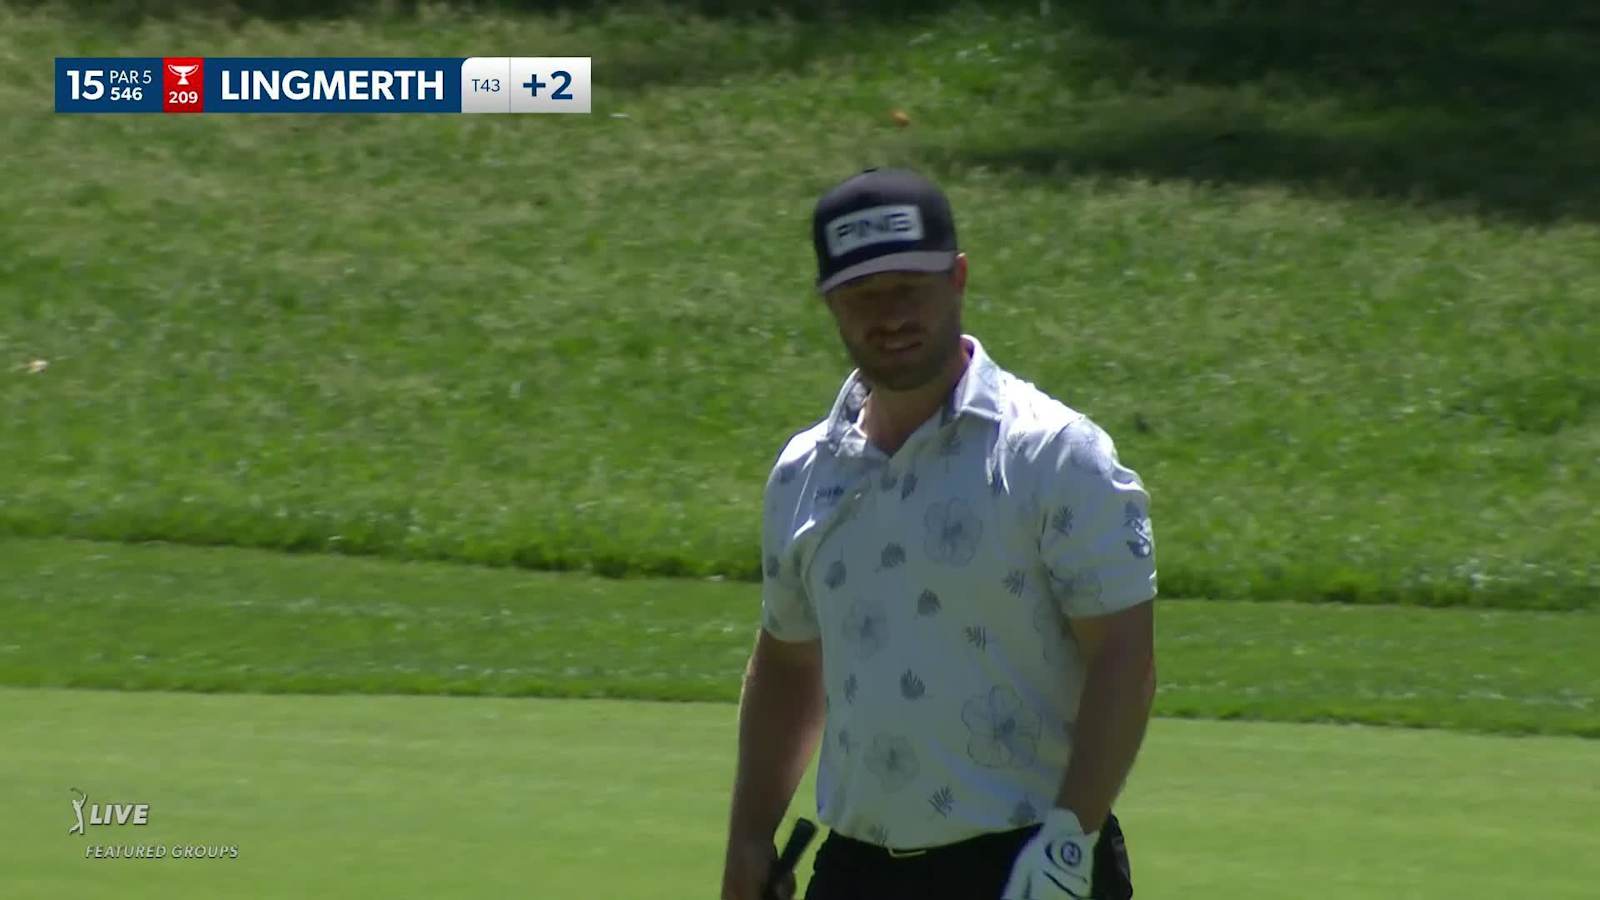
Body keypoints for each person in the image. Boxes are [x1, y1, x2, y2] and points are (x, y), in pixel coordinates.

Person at [721, 167, 1158, 900]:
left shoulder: (1051, 453)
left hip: (1029, 860)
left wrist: (1068, 844)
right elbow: (790, 665)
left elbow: (1123, 655)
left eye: (908, 289)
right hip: (856, 867)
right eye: (863, 296)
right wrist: (748, 836)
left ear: (956, 279)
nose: (889, 315)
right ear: (830, 303)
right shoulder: (805, 472)